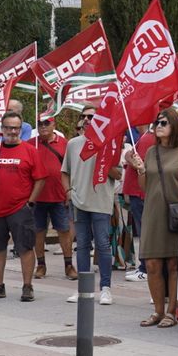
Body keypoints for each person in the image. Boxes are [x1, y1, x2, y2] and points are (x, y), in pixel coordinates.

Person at [125, 107, 178, 328]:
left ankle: (171, 312)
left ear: (174, 126)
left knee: (173, 264)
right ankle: (157, 311)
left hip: (177, 213)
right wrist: (140, 170)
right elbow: (146, 187)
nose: (158, 126)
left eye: (164, 122)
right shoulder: (150, 152)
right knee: (153, 263)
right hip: (153, 213)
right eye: (157, 122)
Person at [0, 113, 48, 302]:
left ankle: (27, 286)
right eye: (8, 127)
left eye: (16, 127)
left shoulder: (30, 151)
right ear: (2, 129)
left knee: (25, 247)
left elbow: (40, 178)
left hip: (19, 208)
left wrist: (30, 202)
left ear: (21, 128)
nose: (12, 131)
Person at [63, 105, 117, 306]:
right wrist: (68, 191)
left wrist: (106, 158)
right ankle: (84, 289)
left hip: (101, 201)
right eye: (83, 116)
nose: (86, 120)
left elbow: (118, 174)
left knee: (103, 245)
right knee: (82, 245)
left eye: (91, 117)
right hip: (78, 201)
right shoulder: (73, 144)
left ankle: (105, 289)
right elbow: (64, 172)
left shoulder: (109, 143)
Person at [30, 116, 77, 281]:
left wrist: (69, 191)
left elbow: (72, 169)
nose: (43, 127)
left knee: (64, 230)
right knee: (38, 231)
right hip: (37, 197)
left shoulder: (65, 144)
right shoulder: (30, 144)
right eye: (40, 124)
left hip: (59, 196)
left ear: (53, 124)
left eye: (46, 123)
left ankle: (69, 265)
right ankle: (41, 264)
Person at [120, 124, 156, 283]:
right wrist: (128, 155)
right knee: (143, 231)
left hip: (141, 193)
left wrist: (129, 157)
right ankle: (144, 266)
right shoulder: (146, 136)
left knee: (145, 232)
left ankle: (145, 268)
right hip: (137, 192)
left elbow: (137, 161)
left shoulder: (149, 138)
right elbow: (129, 155)